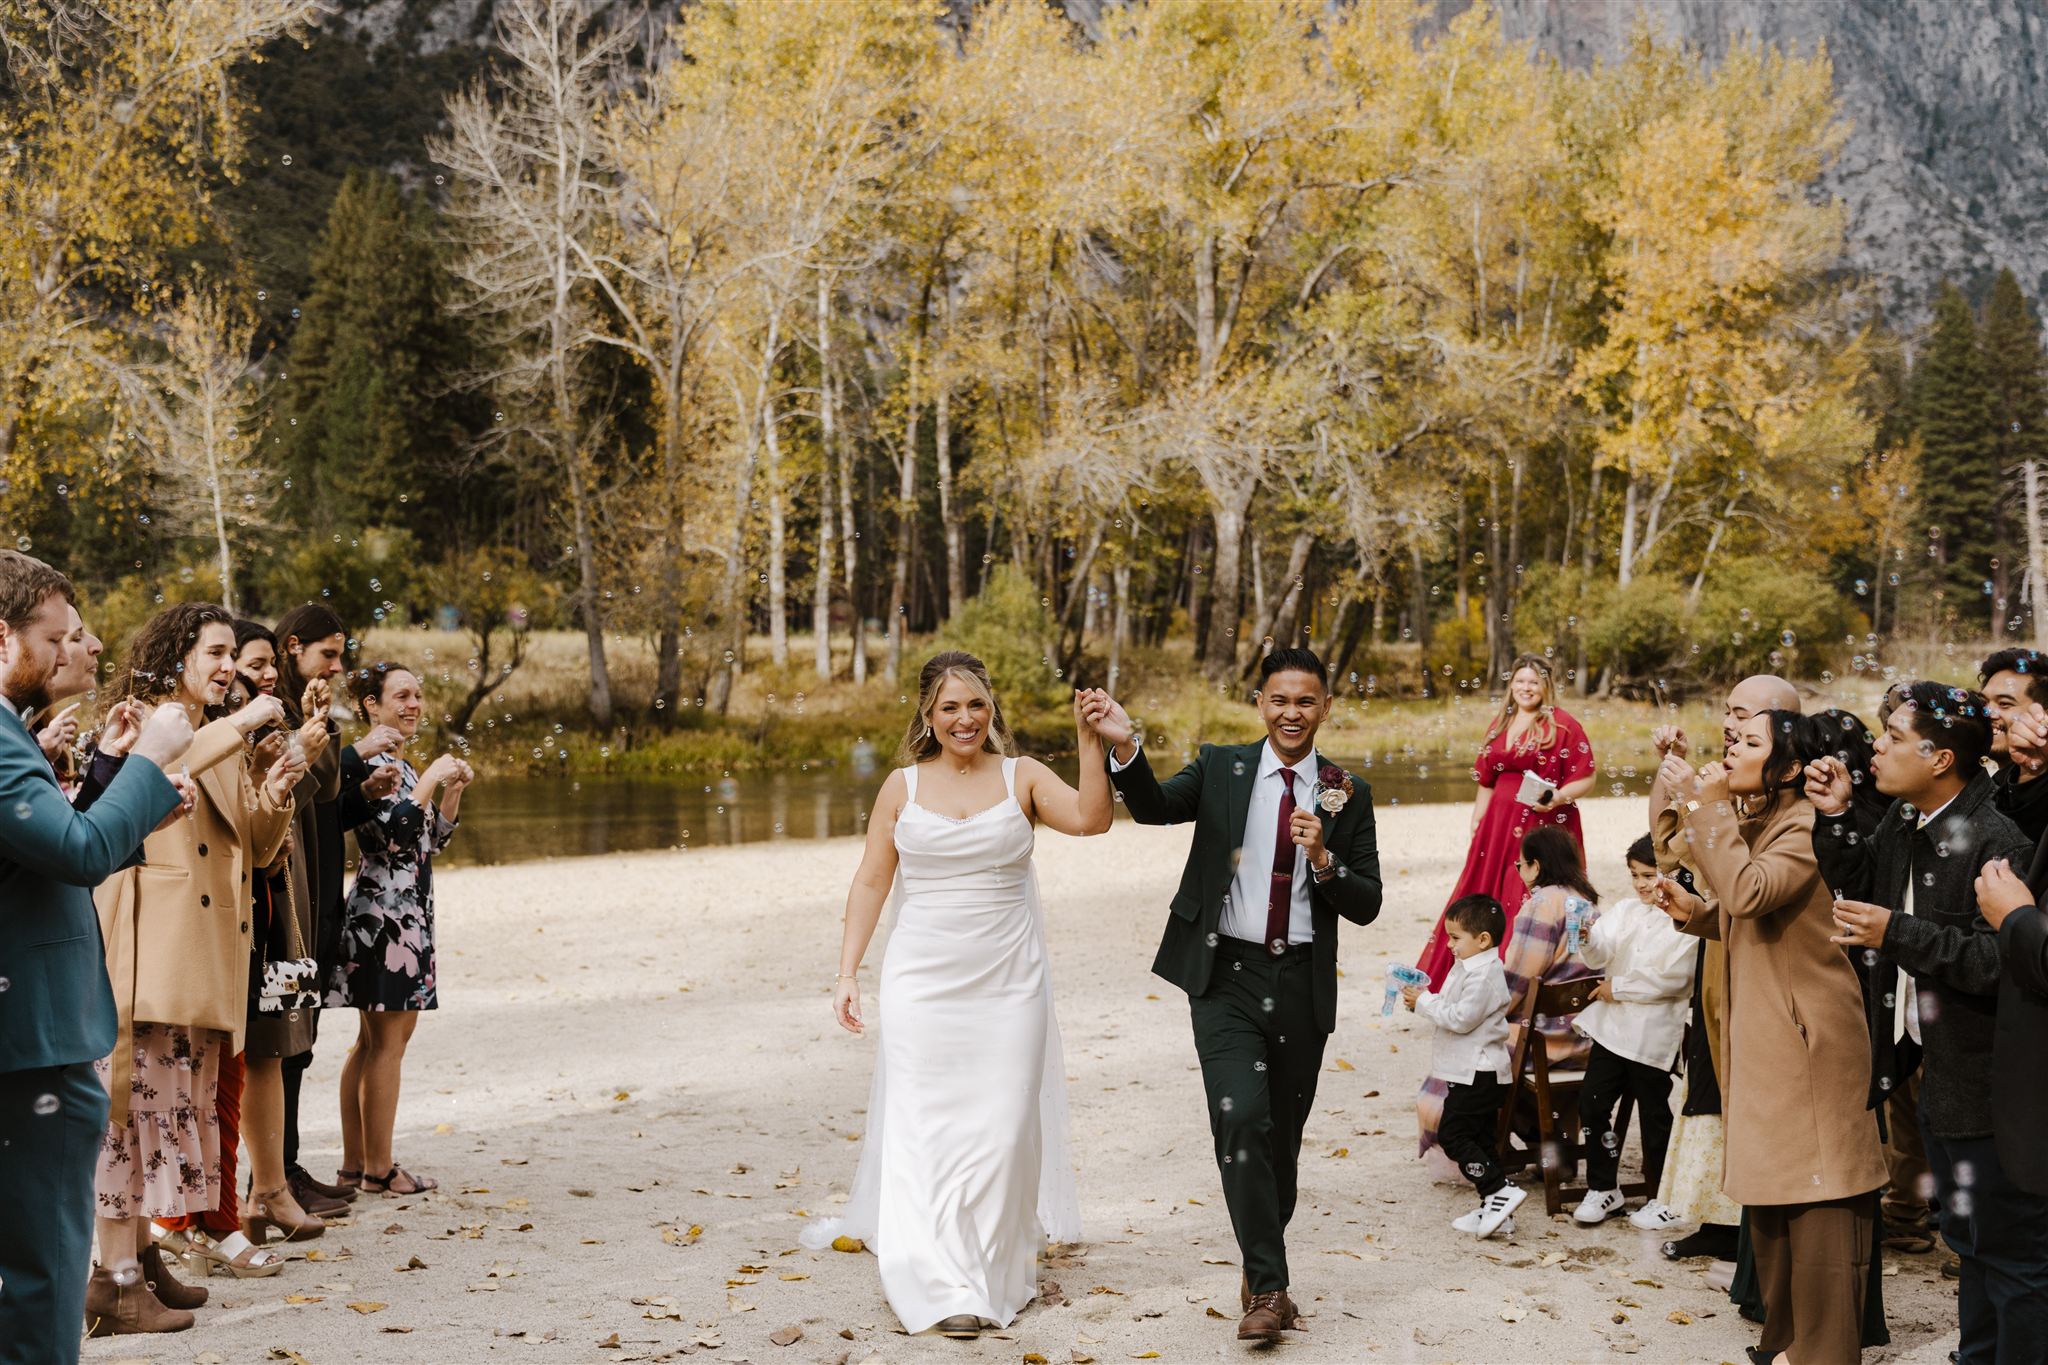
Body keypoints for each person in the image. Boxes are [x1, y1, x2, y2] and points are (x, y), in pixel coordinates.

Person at [1083, 647, 1383, 1343]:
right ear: (1260, 703)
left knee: (1281, 1144)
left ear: (1326, 707)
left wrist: (1324, 860)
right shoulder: (1222, 767)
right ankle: (1272, 1289)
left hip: (1302, 980)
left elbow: (1366, 903)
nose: (1292, 713)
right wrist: (1126, 744)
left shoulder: (1346, 790)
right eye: (1280, 699)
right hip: (1225, 977)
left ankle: (1259, 1266)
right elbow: (1155, 809)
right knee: (1240, 1118)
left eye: (1306, 700)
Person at [803, 653, 1103, 1340]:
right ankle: (937, 1282)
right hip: (922, 981)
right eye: (949, 707)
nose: (964, 718)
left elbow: (1091, 818)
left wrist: (1090, 742)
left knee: (1001, 1129)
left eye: (974, 704)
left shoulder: (1021, 775)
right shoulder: (901, 787)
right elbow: (872, 881)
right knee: (926, 1129)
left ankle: (989, 1268)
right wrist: (848, 972)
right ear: (928, 716)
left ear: (990, 707)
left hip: (1010, 982)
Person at [0, 552, 192, 1365]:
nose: (72, 648)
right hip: (31, 1040)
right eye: (55, 635)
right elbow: (77, 852)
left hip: (27, 1029)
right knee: (41, 1269)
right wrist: (149, 760)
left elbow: (40, 851)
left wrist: (119, 779)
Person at [1651, 710, 1888, 1365]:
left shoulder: (1805, 826)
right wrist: (1695, 912)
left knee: (1821, 1195)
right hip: (1773, 1034)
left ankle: (1825, 1352)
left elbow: (1752, 891)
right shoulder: (1760, 821)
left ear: (1786, 767)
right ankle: (1789, 1342)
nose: (1732, 747)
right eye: (1732, 738)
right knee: (1783, 1199)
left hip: (1810, 1037)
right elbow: (1739, 904)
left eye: (1749, 742)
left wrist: (1705, 801)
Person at [90, 604, 302, 1334]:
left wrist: (276, 787)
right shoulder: (157, 724)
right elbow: (169, 762)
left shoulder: (213, 731)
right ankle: (111, 1276)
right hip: (157, 951)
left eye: (228, 654)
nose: (228, 667)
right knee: (134, 1113)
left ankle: (142, 1254)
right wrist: (245, 726)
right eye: (214, 652)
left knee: (172, 1108)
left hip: (205, 949)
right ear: (176, 653)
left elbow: (254, 841)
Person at [1814, 684, 2039, 1365]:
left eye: (1891, 735)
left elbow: (1999, 960)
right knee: (1973, 1244)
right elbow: (1858, 881)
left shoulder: (1998, 839)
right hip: (1933, 1065)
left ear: (1940, 757)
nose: (1874, 746)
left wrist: (1897, 931)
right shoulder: (1906, 821)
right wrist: (1834, 817)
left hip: (1989, 1082)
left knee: (2014, 1257)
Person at [1647, 673, 1800, 1264]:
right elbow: (1671, 849)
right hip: (1720, 956)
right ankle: (1721, 1217)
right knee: (1708, 1077)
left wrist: (1694, 794)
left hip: (1765, 968)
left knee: (1747, 1088)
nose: (1729, 725)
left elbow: (1740, 885)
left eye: (1744, 715)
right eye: (1728, 711)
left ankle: (1754, 1230)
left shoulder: (1789, 801)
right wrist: (1673, 773)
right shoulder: (1731, 777)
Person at [327, 661, 472, 1199]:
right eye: (402, 695)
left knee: (374, 1042)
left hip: (409, 913)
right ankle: (378, 1170)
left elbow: (431, 842)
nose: (414, 704)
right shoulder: (372, 765)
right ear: (372, 705)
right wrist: (432, 778)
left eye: (418, 695)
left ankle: (354, 1165)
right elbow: (391, 838)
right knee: (386, 1042)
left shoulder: (405, 769)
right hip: (382, 918)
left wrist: (449, 790)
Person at [1419, 824, 1597, 1174]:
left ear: (1537, 865)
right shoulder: (1587, 903)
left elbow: (1515, 983)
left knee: (1469, 1057)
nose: (1520, 873)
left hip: (1545, 1041)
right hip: (1586, 1035)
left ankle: (1475, 1151)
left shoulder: (1542, 905)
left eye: (1520, 866)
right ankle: (1553, 1151)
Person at [1417, 653, 1595, 990]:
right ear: (1511, 684)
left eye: (1533, 682)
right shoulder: (1500, 723)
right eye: (1520, 681)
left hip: (1540, 826)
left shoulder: (1562, 725)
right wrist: (1477, 817)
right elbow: (1486, 779)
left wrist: (1557, 797)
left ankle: (1513, 983)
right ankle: (1468, 984)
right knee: (1483, 896)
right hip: (1497, 827)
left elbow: (1587, 777)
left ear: (1546, 685)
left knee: (1523, 896)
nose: (1526, 688)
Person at [268, 604, 355, 1216]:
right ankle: (276, 1173)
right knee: (284, 1038)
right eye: (328, 653)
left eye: (343, 653)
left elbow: (324, 796)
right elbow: (288, 794)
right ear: (293, 647)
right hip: (287, 897)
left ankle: (289, 1165)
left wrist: (325, 729)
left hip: (321, 892)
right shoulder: (272, 711)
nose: (338, 665)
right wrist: (308, 726)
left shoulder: (311, 711)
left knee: (305, 1033)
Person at [1571, 834, 1696, 1231]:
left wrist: (1617, 988)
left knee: (1655, 1115)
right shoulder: (1626, 911)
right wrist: (1588, 940)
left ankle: (1662, 1196)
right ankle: (1604, 1187)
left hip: (1653, 1036)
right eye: (1635, 875)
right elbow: (1602, 949)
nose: (1642, 884)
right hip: (1612, 1031)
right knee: (1591, 1103)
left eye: (1650, 874)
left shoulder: (1689, 921)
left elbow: (1673, 980)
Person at [1401, 894, 1518, 1238]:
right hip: (1469, 1070)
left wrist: (1424, 1003)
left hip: (1479, 1073)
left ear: (1483, 939)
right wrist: (1425, 998)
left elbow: (1462, 1018)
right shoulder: (1470, 966)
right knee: (1481, 1139)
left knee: (1453, 1135)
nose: (1449, 945)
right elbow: (1453, 1006)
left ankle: (1499, 1189)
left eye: (1456, 938)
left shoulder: (1484, 975)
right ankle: (1497, 1210)